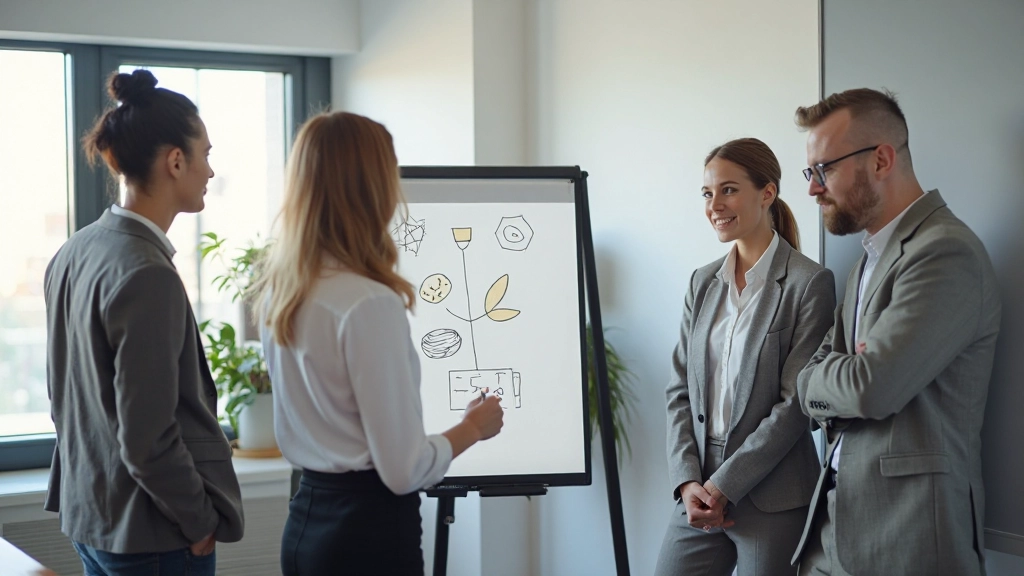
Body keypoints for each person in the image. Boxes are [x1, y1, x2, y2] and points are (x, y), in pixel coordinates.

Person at [254, 111, 505, 576]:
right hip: (366, 539)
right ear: (370, 187)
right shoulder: (368, 303)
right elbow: (404, 469)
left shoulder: (281, 292)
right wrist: (473, 426)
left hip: (307, 523)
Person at [791, 88, 1001, 576]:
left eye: (824, 170)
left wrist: (841, 374)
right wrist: (831, 373)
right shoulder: (868, 261)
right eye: (810, 172)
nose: (812, 189)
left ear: (881, 159)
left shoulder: (946, 253)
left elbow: (871, 388)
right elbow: (805, 375)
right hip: (833, 530)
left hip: (907, 540)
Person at [44, 69, 244, 575]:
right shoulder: (147, 273)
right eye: (207, 155)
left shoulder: (74, 251)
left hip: (92, 518)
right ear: (176, 161)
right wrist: (199, 520)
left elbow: (64, 396)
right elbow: (148, 437)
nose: (211, 172)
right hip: (152, 535)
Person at [655, 138, 836, 575]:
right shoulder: (702, 283)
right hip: (698, 486)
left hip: (772, 493)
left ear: (767, 193)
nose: (715, 204)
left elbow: (797, 406)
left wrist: (725, 485)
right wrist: (687, 482)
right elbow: (679, 389)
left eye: (729, 189)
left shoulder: (809, 283)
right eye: (707, 193)